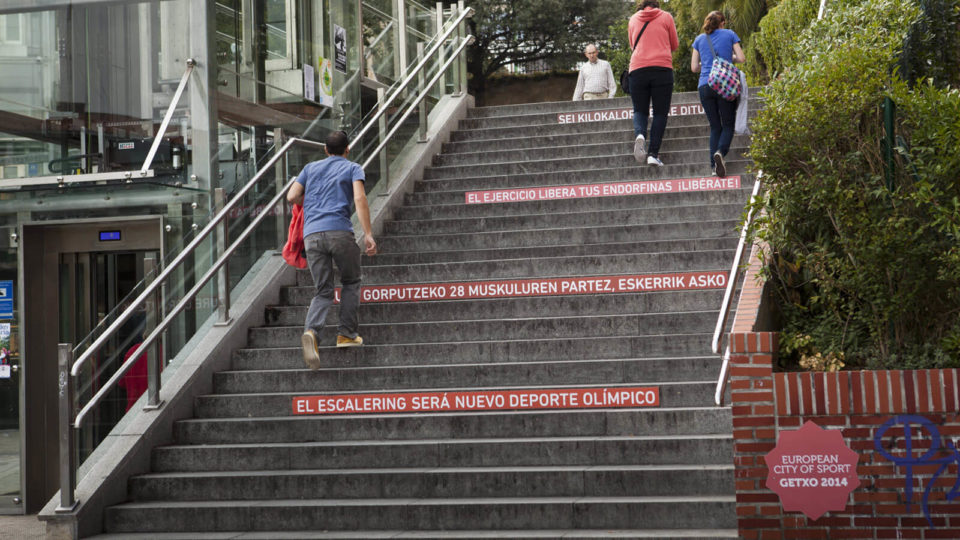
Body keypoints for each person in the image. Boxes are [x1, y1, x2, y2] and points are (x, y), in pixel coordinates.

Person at [286, 130, 377, 369]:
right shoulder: (353, 167)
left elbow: (292, 195)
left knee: (323, 290)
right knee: (351, 281)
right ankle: (346, 334)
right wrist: (367, 234)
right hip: (339, 231)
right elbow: (359, 199)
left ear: (325, 150)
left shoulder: (310, 168)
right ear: (348, 149)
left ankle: (312, 332)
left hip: (312, 235)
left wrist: (314, 203)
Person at [690, 10, 745, 177]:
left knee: (715, 126)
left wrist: (707, 64)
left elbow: (694, 68)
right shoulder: (730, 34)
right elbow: (742, 58)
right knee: (728, 124)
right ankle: (720, 152)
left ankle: (714, 167)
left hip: (705, 85)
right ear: (722, 22)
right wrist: (729, 57)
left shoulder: (699, 39)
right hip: (725, 84)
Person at [627, 0, 679, 166]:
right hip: (661, 69)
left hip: (637, 69)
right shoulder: (666, 17)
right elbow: (675, 45)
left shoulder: (633, 19)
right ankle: (653, 154)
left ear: (642, 5)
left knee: (640, 110)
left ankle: (640, 134)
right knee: (660, 113)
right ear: (658, 4)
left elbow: (632, 45)